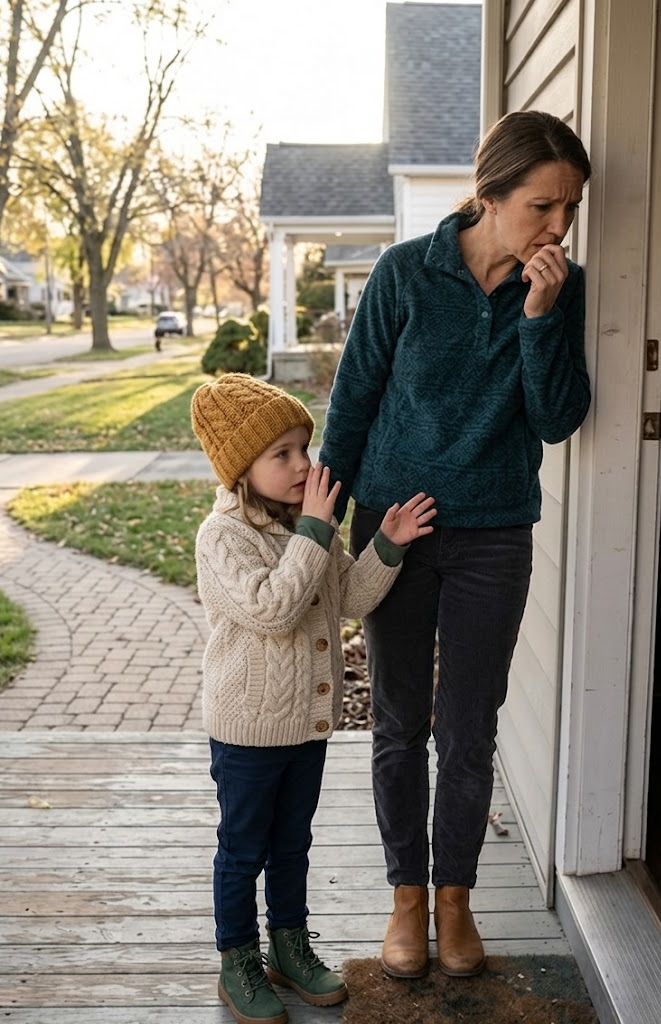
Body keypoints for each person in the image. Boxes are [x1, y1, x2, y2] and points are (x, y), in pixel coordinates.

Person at [318, 110, 592, 981]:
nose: (557, 226)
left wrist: (541, 314)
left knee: (468, 732)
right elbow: (352, 402)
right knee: (398, 723)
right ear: (489, 194)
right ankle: (405, 899)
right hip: (394, 532)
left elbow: (555, 418)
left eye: (570, 209)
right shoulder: (405, 273)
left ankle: (454, 901)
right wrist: (319, 531)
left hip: (494, 535)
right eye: (542, 205)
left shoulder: (558, 284)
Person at [190, 373, 436, 1024]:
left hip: (304, 724)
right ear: (242, 469)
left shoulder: (309, 526)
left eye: (305, 446)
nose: (304, 463)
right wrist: (316, 532)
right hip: (247, 728)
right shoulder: (223, 538)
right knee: (243, 848)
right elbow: (272, 609)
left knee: (292, 843)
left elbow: (347, 598)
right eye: (283, 454)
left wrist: (386, 545)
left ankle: (289, 946)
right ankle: (236, 959)